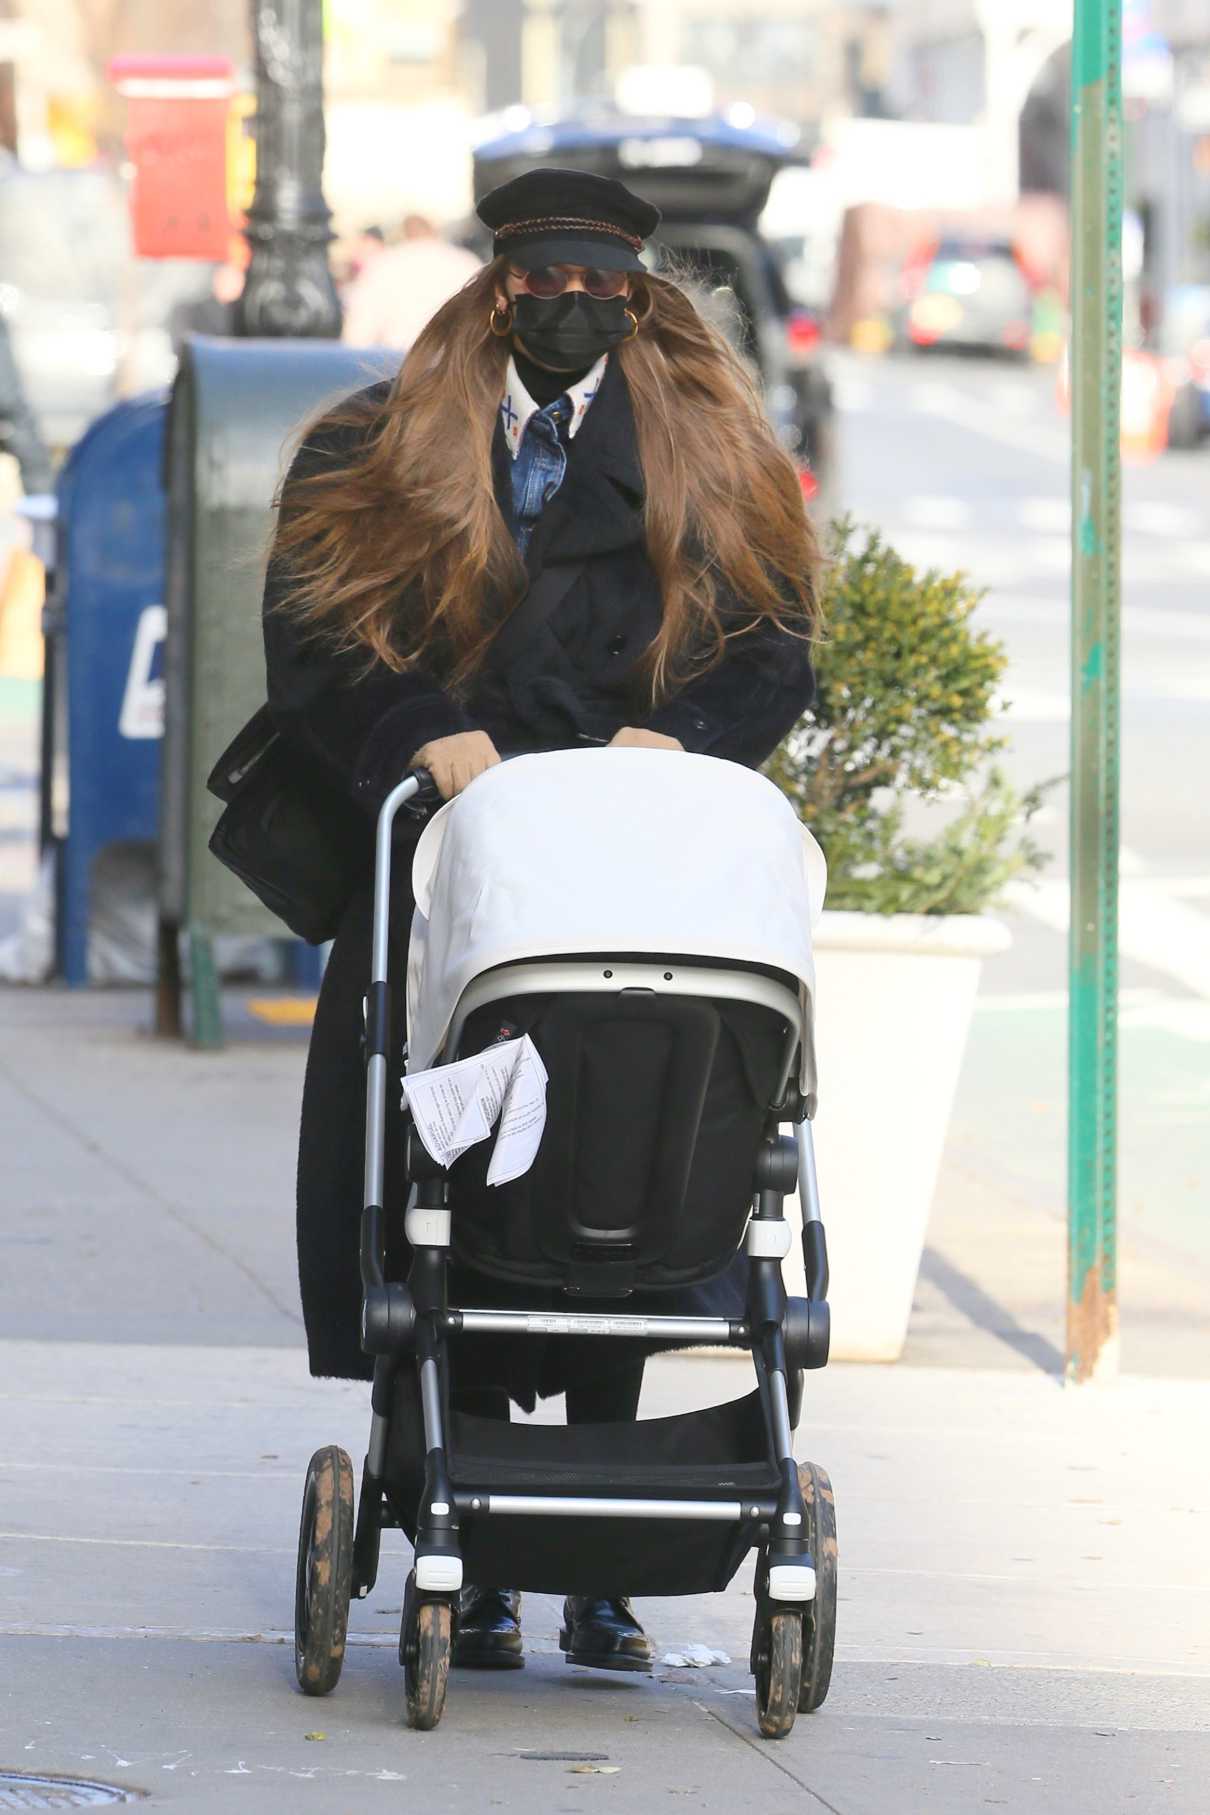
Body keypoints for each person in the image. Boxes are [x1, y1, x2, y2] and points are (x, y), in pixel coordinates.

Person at [263, 167, 821, 1675]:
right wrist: (426, 727)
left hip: (625, 872)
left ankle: (601, 1556)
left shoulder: (707, 449)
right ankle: (482, 1540)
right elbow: (315, 640)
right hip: (452, 878)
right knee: (455, 1180)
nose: (571, 309)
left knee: (624, 1180)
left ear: (633, 295)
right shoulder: (380, 443)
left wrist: (686, 736)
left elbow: (776, 640)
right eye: (542, 283)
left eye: (602, 287)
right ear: (498, 285)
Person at [340, 211, 482, 351]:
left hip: (400, 361)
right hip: (458, 359)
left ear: (404, 234)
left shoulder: (384, 265)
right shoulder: (466, 262)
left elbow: (358, 336)